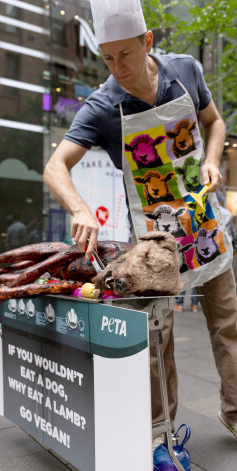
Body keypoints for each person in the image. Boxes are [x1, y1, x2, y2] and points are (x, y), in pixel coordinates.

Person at [43, 0, 237, 445]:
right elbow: (56, 166)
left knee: (228, 323)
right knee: (156, 337)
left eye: (125, 55)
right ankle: (159, 431)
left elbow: (215, 122)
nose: (117, 68)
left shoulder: (185, 70)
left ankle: (235, 411)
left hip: (205, 222)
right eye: (107, 58)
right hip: (151, 239)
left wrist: (210, 159)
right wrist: (79, 208)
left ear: (147, 41)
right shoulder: (101, 105)